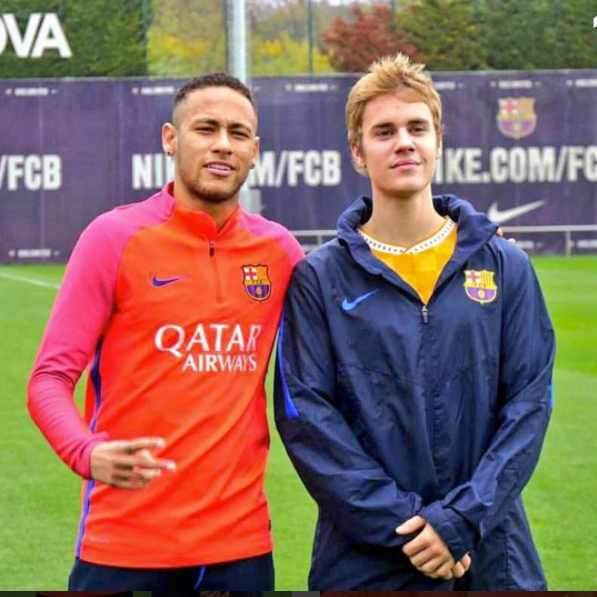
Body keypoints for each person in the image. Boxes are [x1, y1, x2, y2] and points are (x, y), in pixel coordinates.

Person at [274, 53, 555, 590]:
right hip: (367, 561)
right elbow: (308, 420)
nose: (403, 142)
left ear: (438, 141)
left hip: (490, 555)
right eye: (384, 131)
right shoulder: (319, 279)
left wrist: (462, 520)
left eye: (417, 128)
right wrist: (411, 529)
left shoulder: (506, 266)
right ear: (358, 152)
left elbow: (529, 406)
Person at [28, 72, 304, 592]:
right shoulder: (114, 238)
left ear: (255, 150)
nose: (223, 144)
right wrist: (84, 451)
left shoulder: (281, 253)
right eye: (206, 128)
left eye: (238, 133)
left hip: (241, 548)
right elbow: (49, 378)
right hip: (125, 543)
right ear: (171, 139)